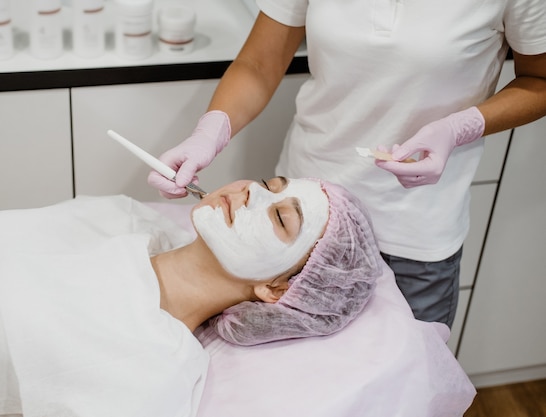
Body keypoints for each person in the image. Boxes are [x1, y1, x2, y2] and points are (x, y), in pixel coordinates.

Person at [147, 2, 546, 328]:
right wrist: (210, 130)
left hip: (416, 230)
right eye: (264, 187)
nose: (248, 192)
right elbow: (259, 64)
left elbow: (539, 81)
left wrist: (462, 126)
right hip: (302, 228)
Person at [0, 177, 382, 417]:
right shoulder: (122, 217)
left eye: (281, 219)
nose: (249, 194)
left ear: (277, 288)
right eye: (268, 183)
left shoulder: (152, 370)